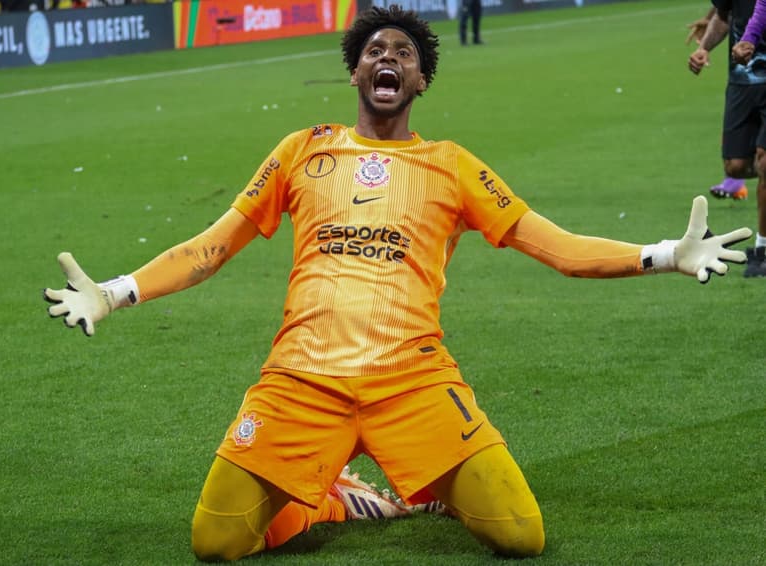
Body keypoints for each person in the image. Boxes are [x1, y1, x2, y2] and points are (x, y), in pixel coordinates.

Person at [44, 5, 751, 561]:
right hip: (300, 380)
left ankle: (436, 484)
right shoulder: (301, 149)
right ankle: (330, 498)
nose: (388, 58)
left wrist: (663, 253)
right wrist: (115, 291)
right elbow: (213, 245)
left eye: (403, 54)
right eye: (375, 51)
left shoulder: (452, 165)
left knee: (521, 535)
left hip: (411, 382)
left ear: (419, 82)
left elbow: (558, 248)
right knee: (214, 543)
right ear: (355, 74)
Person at [688, 1, 766, 277]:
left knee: (764, 162)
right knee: (735, 166)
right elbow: (724, 15)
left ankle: (761, 249)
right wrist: (703, 49)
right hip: (741, 82)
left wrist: (749, 40)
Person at [686, 7, 751, 201]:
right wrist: (708, 23)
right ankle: (735, 179)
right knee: (735, 162)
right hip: (743, 74)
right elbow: (727, 7)